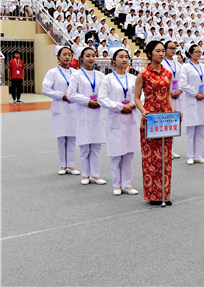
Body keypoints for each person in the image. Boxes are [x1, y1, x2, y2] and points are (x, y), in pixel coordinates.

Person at [134, 41, 175, 205]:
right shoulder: (143, 74)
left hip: (165, 119)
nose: (161, 54)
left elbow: (168, 95)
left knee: (166, 157)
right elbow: (136, 97)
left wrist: (173, 111)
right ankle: (153, 194)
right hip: (151, 119)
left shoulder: (168, 74)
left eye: (163, 51)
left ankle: (165, 193)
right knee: (151, 159)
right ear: (150, 53)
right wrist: (143, 111)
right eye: (158, 51)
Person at [98, 48, 140, 196]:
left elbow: (141, 96)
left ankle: (127, 184)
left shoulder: (134, 78)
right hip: (116, 117)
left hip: (131, 118)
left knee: (129, 153)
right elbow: (102, 98)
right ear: (113, 60)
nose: (124, 59)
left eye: (126, 57)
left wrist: (133, 105)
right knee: (116, 153)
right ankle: (117, 184)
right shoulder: (107, 79)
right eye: (121, 57)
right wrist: (120, 107)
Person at [66, 47, 106, 185]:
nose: (91, 58)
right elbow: (71, 94)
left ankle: (95, 175)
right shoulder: (76, 75)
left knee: (96, 145)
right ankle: (85, 175)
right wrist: (87, 101)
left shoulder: (100, 76)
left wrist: (100, 101)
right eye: (88, 56)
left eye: (93, 55)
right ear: (81, 58)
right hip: (83, 112)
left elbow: (105, 93)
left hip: (97, 113)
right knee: (84, 146)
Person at [41, 46, 80, 176]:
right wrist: (61, 95)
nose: (67, 57)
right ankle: (63, 165)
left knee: (72, 137)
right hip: (60, 107)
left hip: (73, 108)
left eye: (69, 54)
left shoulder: (76, 73)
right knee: (62, 137)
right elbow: (45, 89)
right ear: (58, 56)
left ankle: (71, 165)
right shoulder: (52, 73)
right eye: (64, 54)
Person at [180, 44, 204, 165]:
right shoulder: (186, 67)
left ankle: (199, 155)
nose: (199, 54)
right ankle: (190, 155)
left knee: (200, 129)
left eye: (200, 52)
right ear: (190, 53)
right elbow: (183, 83)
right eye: (196, 52)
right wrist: (195, 94)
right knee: (191, 130)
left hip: (202, 100)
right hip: (191, 100)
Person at [163, 41, 183, 159]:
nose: (173, 50)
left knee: (173, 123)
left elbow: (182, 79)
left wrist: (179, 90)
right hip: (167, 95)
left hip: (177, 95)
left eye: (174, 48)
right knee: (166, 122)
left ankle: (171, 148)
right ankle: (165, 148)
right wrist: (169, 91)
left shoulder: (178, 64)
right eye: (170, 48)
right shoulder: (162, 63)